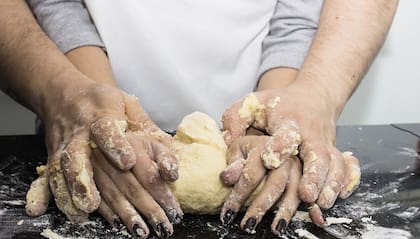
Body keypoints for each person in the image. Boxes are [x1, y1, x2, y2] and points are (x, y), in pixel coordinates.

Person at [0, 0, 398, 238]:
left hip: (278, 101)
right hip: (81, 87)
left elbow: (300, 11)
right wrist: (85, 102)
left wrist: (290, 108)